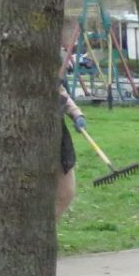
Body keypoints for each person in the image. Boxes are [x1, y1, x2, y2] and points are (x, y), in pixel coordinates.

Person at [57, 80, 89, 221]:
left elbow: (62, 93)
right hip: (26, 150)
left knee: (67, 191)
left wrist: (77, 115)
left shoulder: (48, 72)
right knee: (26, 186)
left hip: (58, 145)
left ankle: (48, 227)